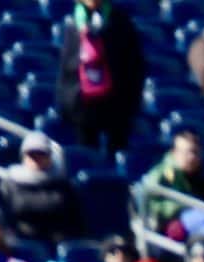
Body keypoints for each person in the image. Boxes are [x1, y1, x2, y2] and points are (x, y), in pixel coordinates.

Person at [58, 0, 147, 153]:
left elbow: (134, 64)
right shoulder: (72, 23)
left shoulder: (120, 21)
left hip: (116, 103)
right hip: (82, 105)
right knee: (86, 153)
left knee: (117, 151)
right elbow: (66, 67)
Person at [0, 133, 83, 244]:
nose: (36, 159)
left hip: (57, 240)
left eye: (41, 154)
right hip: (21, 240)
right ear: (23, 157)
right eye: (31, 155)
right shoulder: (10, 184)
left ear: (49, 157)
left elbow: (75, 219)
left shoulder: (62, 184)